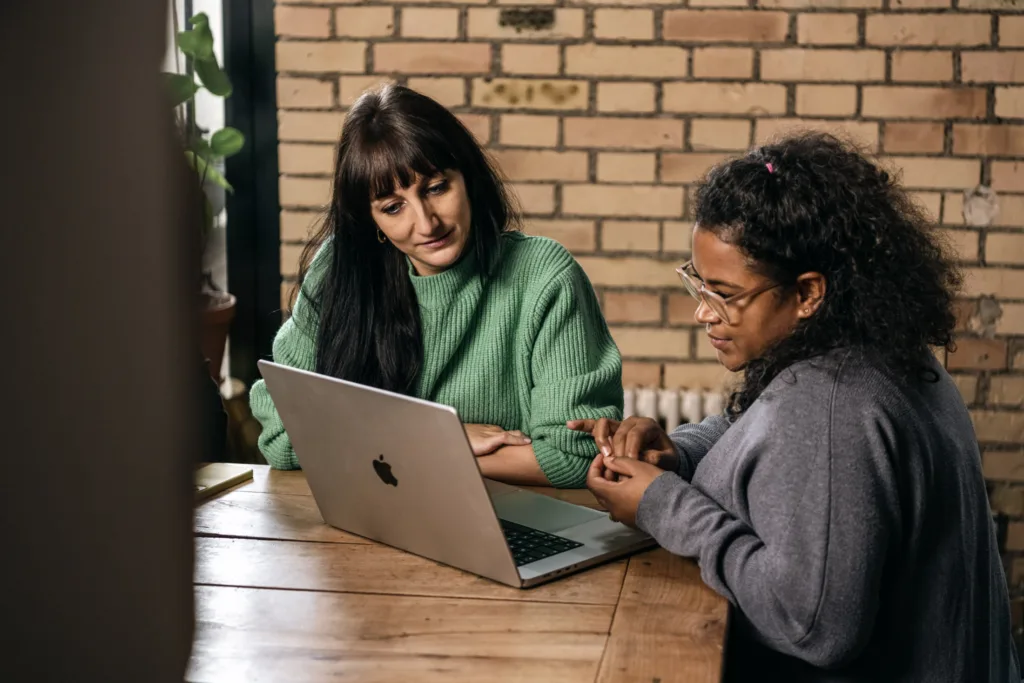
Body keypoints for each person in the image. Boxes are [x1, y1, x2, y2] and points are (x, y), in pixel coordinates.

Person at [569, 133, 1021, 682]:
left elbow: (812, 627)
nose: (703, 314)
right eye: (698, 283)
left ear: (808, 293)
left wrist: (663, 506)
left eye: (725, 294)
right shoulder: (874, 359)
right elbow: (759, 429)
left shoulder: (831, 404)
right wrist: (679, 453)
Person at [250, 83, 622, 488]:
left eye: (436, 188)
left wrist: (380, 447)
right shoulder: (339, 269)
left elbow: (574, 455)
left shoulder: (544, 276)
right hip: (370, 516)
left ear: (468, 178)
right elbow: (282, 435)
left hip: (508, 519)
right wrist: (439, 440)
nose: (427, 223)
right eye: (393, 207)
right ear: (371, 219)